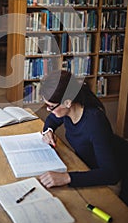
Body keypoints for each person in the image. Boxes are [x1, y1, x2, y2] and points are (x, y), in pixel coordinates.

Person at [38, 70, 128, 205]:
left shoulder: (95, 121)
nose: (48, 110)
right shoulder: (70, 110)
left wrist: (66, 178)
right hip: (88, 164)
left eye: (51, 106)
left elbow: (110, 174)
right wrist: (48, 131)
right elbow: (52, 119)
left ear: (67, 102)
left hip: (118, 168)